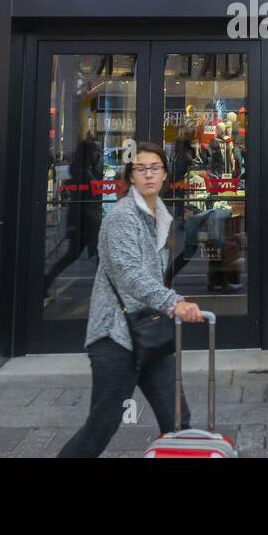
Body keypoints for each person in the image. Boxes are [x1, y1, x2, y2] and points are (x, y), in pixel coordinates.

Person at [58, 142, 204, 457]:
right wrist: (173, 302)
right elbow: (130, 274)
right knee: (101, 426)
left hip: (150, 332)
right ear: (131, 176)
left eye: (155, 168)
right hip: (115, 337)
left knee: (178, 420)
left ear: (165, 175)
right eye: (141, 169)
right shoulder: (123, 216)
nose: (149, 174)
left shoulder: (159, 215)